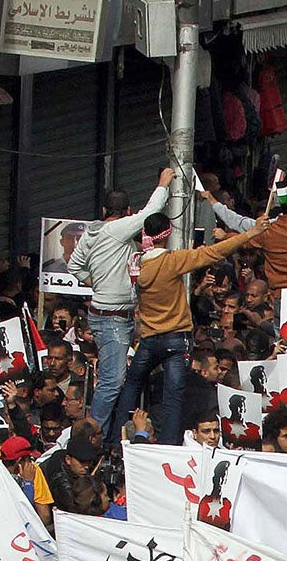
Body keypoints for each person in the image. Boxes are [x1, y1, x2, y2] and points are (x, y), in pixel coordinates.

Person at [113, 208, 268, 446]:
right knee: (173, 396)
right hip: (175, 339)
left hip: (149, 338)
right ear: (166, 235)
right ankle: (168, 445)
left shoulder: (136, 264)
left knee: (132, 385)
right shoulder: (173, 261)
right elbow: (215, 251)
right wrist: (252, 233)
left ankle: (117, 438)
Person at [67, 169, 175, 430]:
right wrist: (163, 183)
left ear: (104, 209)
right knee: (112, 381)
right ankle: (93, 432)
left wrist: (96, 283)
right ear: (127, 211)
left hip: (110, 315)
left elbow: (74, 266)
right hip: (113, 319)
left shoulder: (91, 233)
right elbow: (151, 211)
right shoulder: (118, 229)